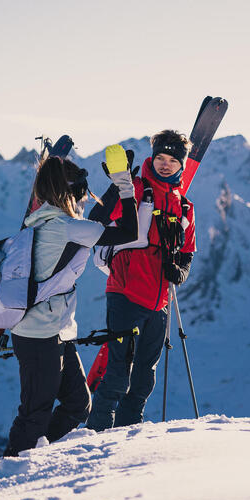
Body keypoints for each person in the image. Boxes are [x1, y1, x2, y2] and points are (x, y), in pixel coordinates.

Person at [3, 145, 138, 456]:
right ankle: (11, 467)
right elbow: (128, 231)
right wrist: (124, 186)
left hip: (57, 331)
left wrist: (116, 185)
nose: (81, 200)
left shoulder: (48, 222)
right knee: (34, 414)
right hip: (38, 335)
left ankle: (36, 451)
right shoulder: (63, 227)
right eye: (80, 193)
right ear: (69, 192)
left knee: (78, 404)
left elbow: (97, 221)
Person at [86, 130, 196, 432]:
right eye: (160, 157)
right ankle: (95, 436)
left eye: (172, 160)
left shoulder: (184, 206)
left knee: (145, 378)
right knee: (118, 373)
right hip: (125, 293)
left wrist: (182, 272)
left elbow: (186, 250)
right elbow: (96, 220)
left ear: (181, 165)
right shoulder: (137, 188)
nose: (164, 164)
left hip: (159, 302)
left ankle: (127, 438)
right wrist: (118, 186)